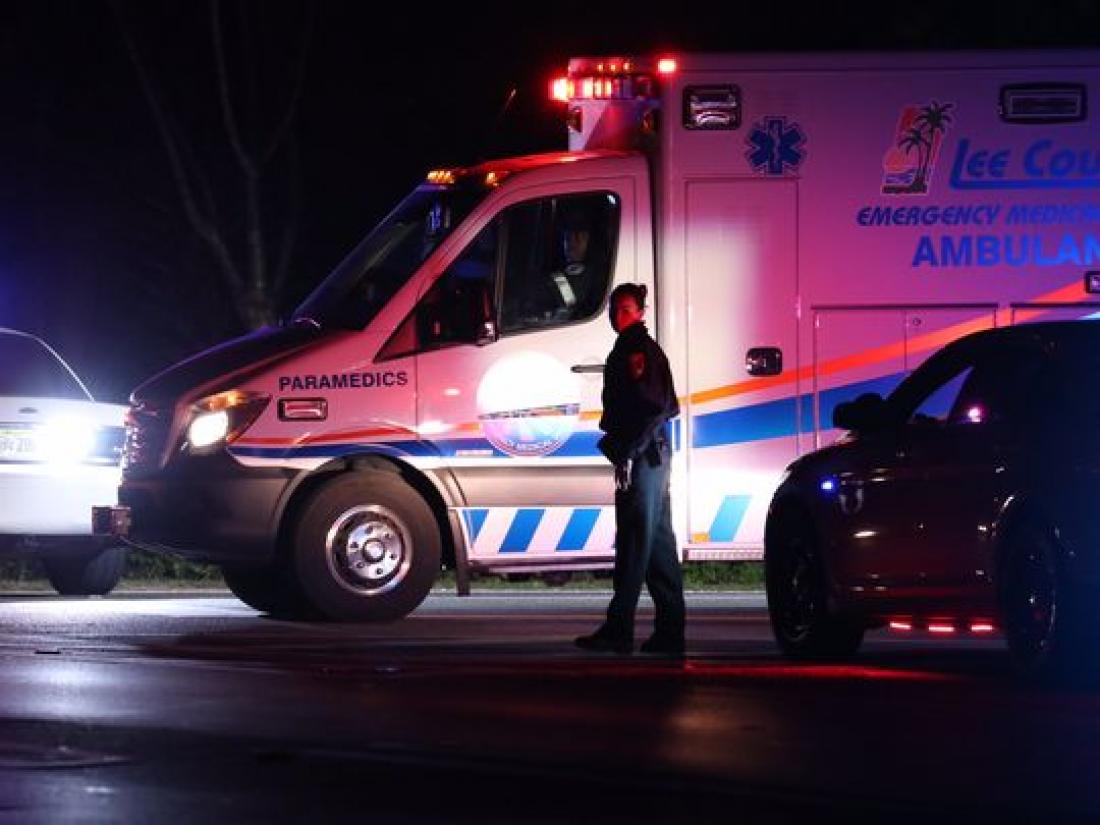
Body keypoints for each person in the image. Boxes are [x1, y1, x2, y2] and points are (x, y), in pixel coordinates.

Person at [575, 283, 685, 657]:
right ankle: (670, 632)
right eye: (614, 309)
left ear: (640, 312)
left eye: (625, 309)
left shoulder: (636, 349)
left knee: (634, 543)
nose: (617, 316)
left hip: (643, 455)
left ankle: (619, 629)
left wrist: (628, 453)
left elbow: (651, 407)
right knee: (658, 546)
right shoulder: (632, 347)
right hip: (650, 454)